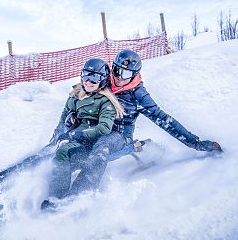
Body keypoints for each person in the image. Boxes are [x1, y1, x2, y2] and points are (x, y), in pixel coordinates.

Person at [0, 58, 124, 208]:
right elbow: (62, 119)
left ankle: (57, 200)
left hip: (87, 144)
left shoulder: (106, 102)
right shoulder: (76, 95)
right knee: (35, 159)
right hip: (69, 138)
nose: (88, 81)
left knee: (59, 155)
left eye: (94, 78)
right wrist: (58, 135)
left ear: (102, 80)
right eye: (86, 76)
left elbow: (103, 128)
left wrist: (77, 135)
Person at [59, 49, 223, 197]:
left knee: (102, 147)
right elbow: (81, 97)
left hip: (119, 136)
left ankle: (79, 195)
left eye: (125, 74)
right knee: (70, 154)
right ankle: (57, 197)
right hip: (95, 130)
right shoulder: (104, 80)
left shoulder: (138, 95)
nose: (118, 77)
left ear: (134, 75)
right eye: (116, 70)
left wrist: (195, 143)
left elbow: (165, 120)